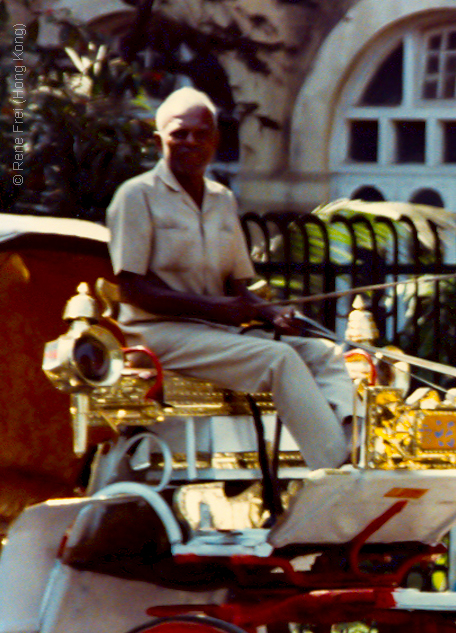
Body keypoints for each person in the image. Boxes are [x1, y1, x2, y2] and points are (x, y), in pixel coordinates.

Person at [107, 87, 353, 469]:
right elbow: (132, 288)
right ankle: (334, 468)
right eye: (179, 133)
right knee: (279, 359)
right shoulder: (135, 196)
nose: (190, 141)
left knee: (323, 353)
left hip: (215, 332)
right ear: (159, 141)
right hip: (159, 334)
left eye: (200, 133)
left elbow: (238, 286)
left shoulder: (222, 199)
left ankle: (351, 444)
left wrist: (271, 315)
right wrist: (217, 308)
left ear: (215, 141)